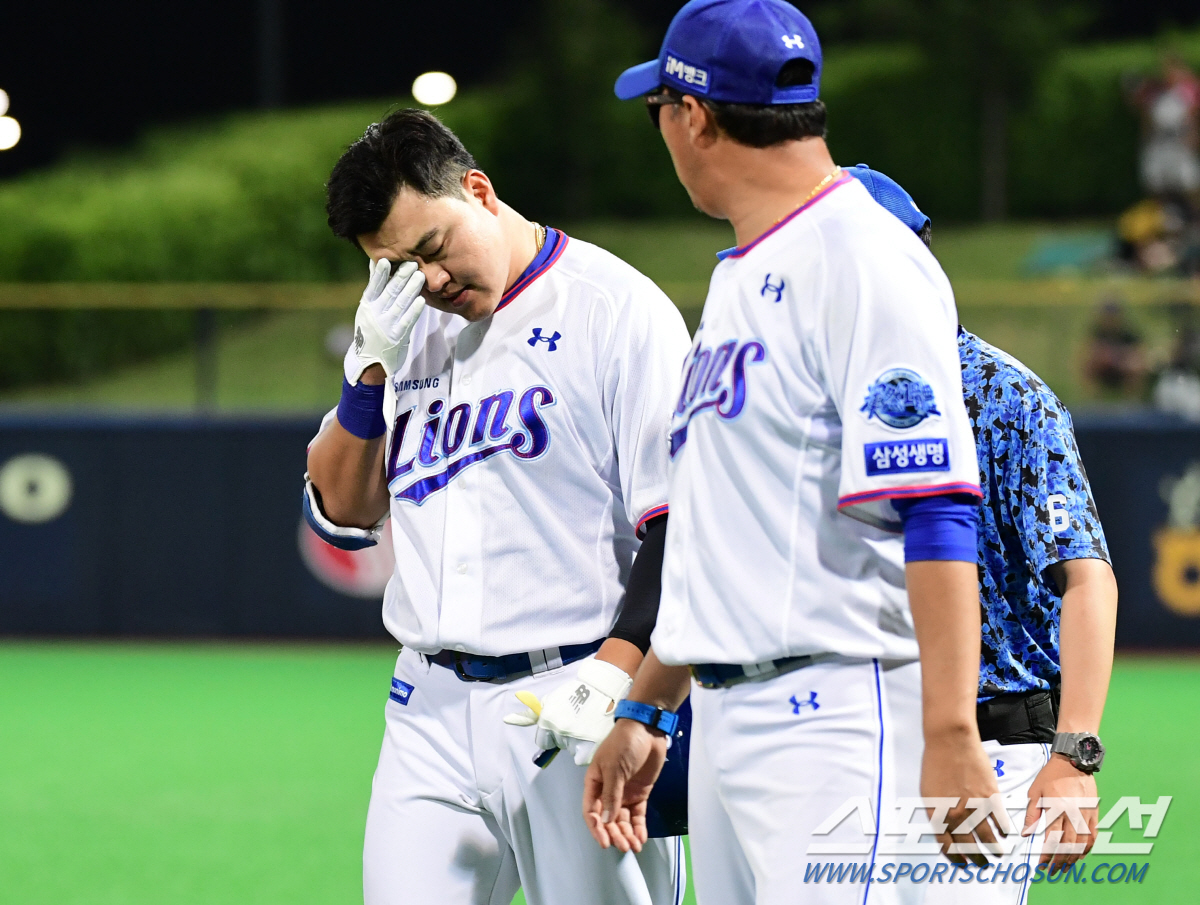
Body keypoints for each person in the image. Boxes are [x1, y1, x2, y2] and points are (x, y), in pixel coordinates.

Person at [585, 3, 1007, 903]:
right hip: (733, 718)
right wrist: (649, 701)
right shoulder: (741, 272)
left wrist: (950, 731)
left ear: (691, 115)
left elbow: (936, 505)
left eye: (657, 107)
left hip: (838, 720)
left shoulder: (864, 257)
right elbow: (724, 536)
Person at [305, 109, 691, 905]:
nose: (430, 281)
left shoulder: (615, 308)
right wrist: (366, 373)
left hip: (576, 696)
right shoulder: (402, 327)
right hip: (428, 708)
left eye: (433, 249)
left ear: (478, 191)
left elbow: (680, 525)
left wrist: (620, 682)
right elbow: (343, 508)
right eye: (398, 267)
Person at [848, 164, 1119, 900]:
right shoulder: (824, 392)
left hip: (991, 741)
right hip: (848, 735)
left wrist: (1075, 754)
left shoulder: (1007, 395)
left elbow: (1086, 577)